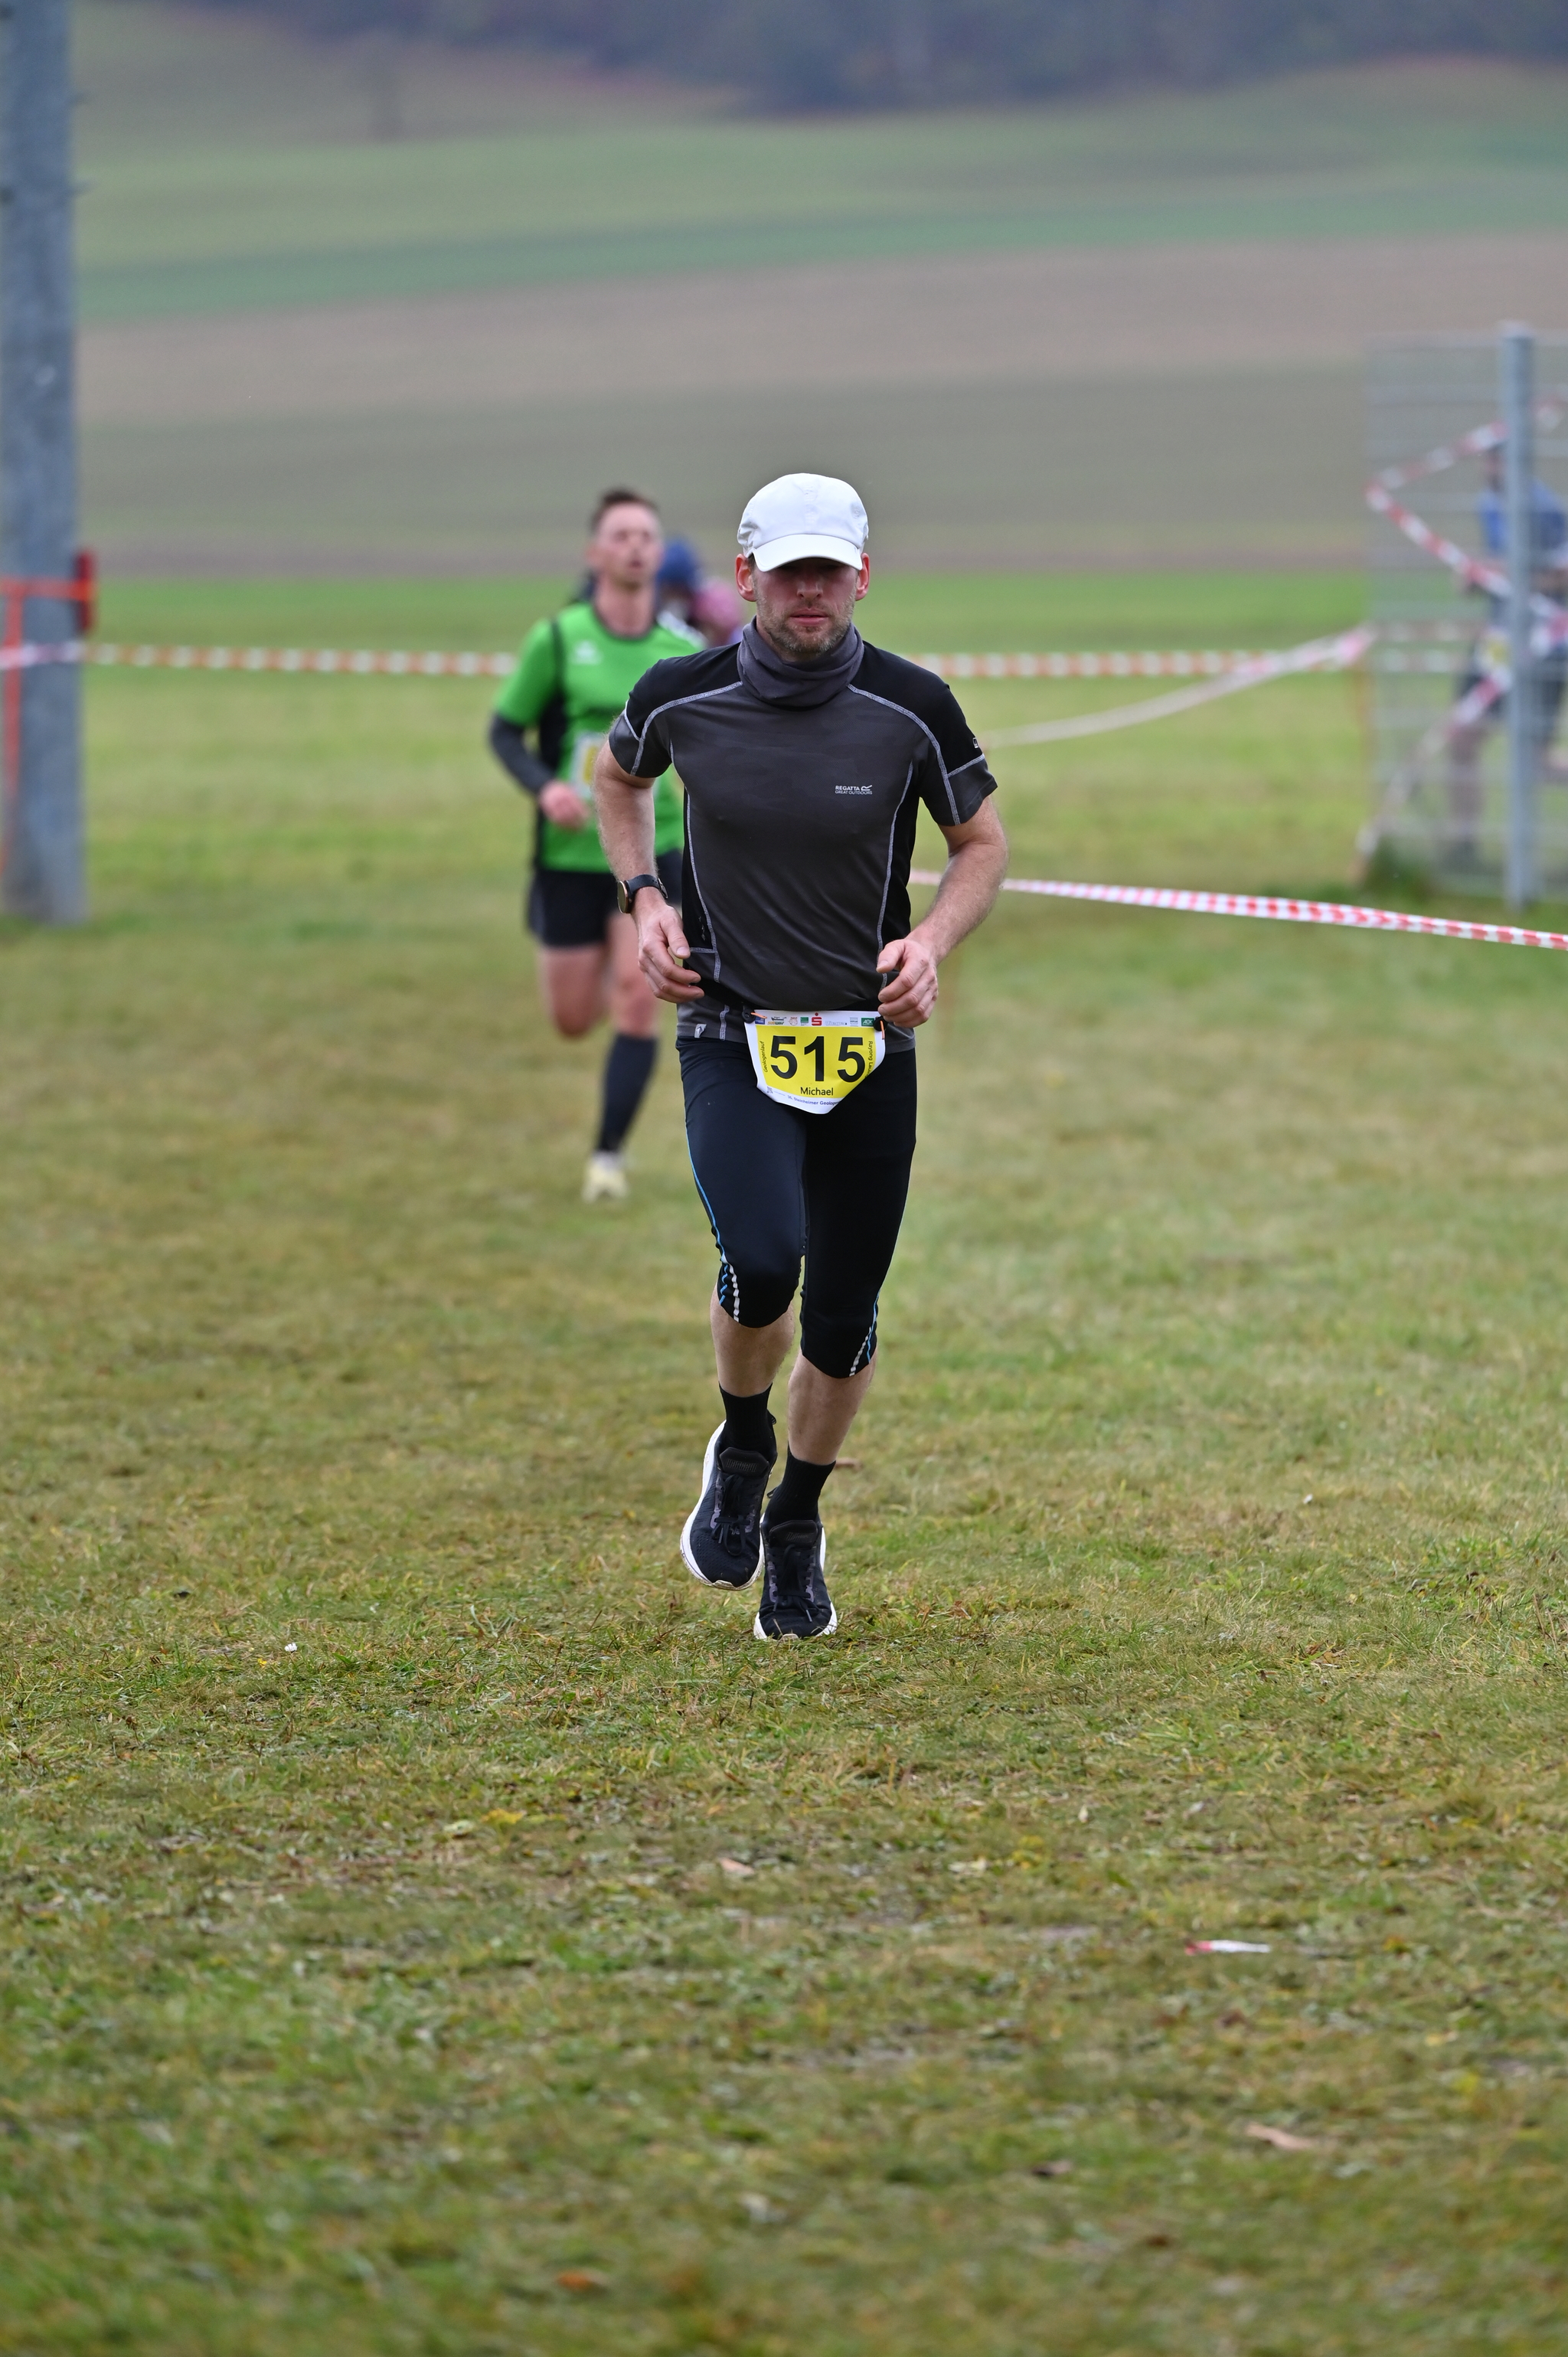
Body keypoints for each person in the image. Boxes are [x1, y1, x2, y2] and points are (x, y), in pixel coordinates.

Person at [593, 472, 1009, 1639]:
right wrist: (645, 898)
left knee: (843, 1315)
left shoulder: (913, 706)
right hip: (730, 1027)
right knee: (765, 1259)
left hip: (869, 1041)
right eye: (788, 573)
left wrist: (930, 943)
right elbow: (616, 778)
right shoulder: (680, 694)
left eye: (829, 570)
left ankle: (796, 1519)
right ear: (745, 578)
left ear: (863, 575)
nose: (809, 592)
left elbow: (981, 842)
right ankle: (741, 1439)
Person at [488, 489, 698, 1202]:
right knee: (574, 1020)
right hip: (571, 854)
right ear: (596, 552)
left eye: (647, 535)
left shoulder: (682, 651)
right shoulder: (556, 639)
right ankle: (607, 974)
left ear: (659, 553)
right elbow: (504, 731)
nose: (636, 546)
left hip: (654, 852)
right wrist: (545, 786)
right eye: (622, 535)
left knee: (639, 998)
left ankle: (607, 1156)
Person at [1448, 446, 1568, 857]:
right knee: (1462, 737)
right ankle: (1464, 844)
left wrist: (1507, 577)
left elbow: (1562, 574)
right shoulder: (1487, 503)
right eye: (1487, 458)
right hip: (1500, 642)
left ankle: (1525, 868)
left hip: (1543, 645)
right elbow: (1502, 567)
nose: (1490, 467)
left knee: (1536, 764)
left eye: (1499, 459)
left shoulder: (1543, 509)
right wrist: (1479, 578)